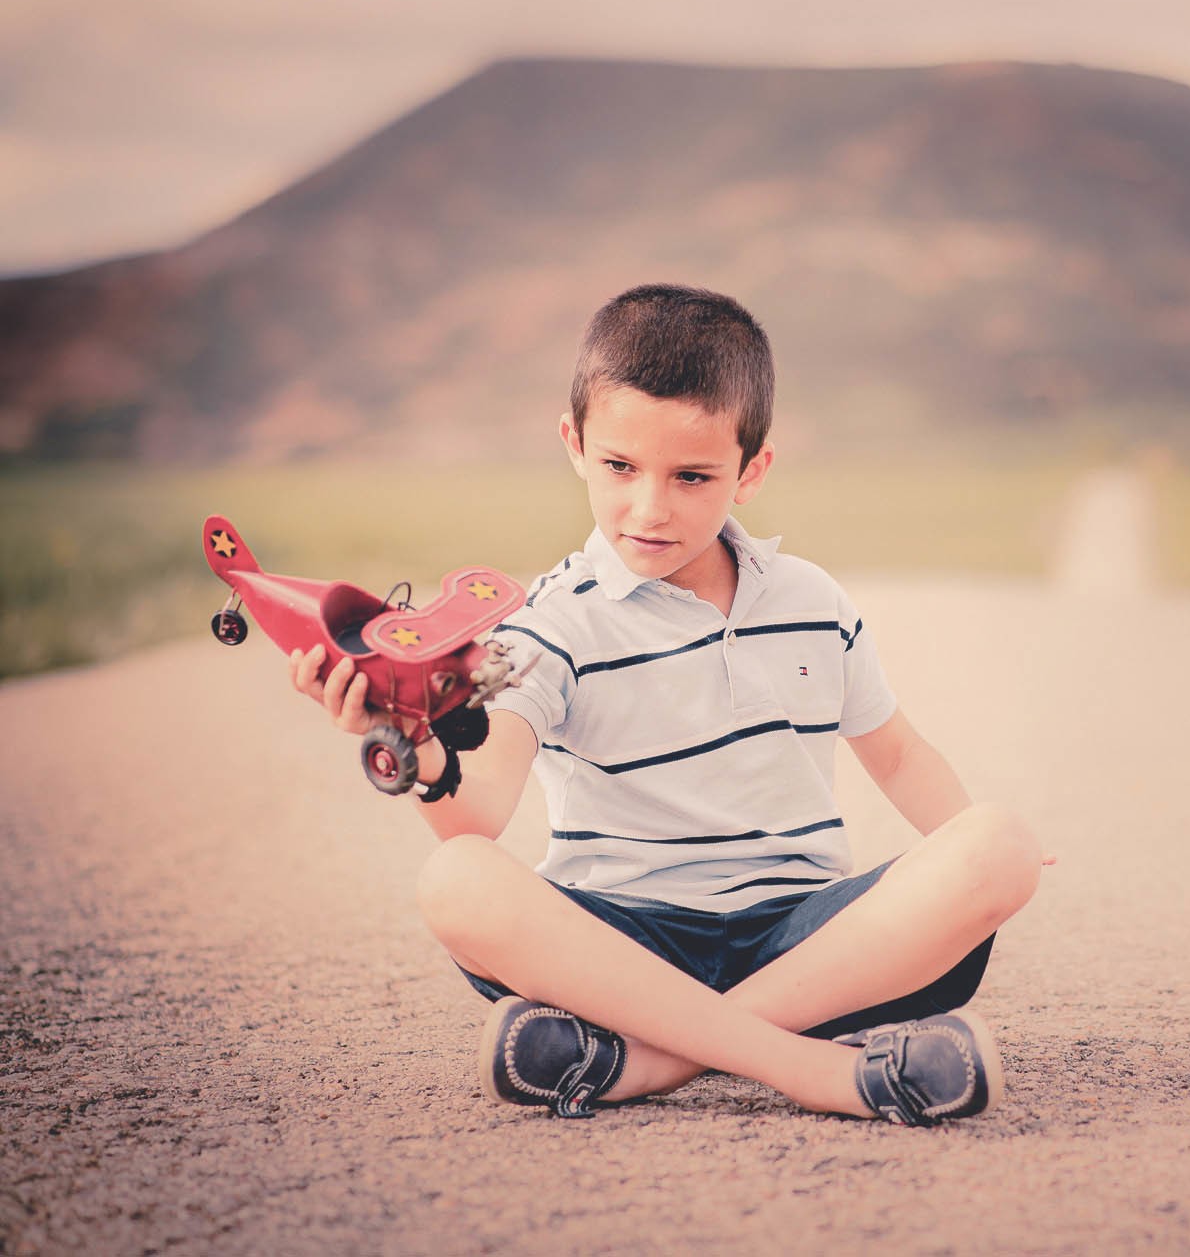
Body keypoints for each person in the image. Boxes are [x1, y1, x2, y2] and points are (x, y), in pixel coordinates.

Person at [286, 284, 1051, 1126]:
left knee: (998, 842)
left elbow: (899, 756)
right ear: (574, 445)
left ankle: (645, 1062)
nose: (650, 508)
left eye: (692, 476)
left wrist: (976, 863)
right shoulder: (546, 624)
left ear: (751, 471)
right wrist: (412, 750)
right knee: (454, 880)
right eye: (620, 467)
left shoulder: (812, 600)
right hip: (621, 946)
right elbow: (479, 814)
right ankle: (815, 1070)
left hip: (805, 937)